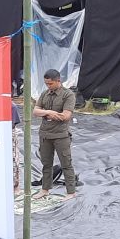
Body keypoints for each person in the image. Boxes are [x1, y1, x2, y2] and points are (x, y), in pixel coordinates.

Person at [35, 69, 77, 199]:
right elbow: (35, 111)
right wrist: (49, 112)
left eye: (50, 83)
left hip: (61, 135)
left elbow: (66, 116)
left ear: (58, 81)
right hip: (45, 134)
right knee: (46, 163)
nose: (48, 86)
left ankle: (71, 192)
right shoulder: (44, 94)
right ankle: (45, 189)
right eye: (46, 84)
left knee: (66, 163)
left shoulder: (68, 95)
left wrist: (47, 113)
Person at [11, 102, 24, 196]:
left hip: (8, 133)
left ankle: (16, 186)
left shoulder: (11, 106)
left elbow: (12, 125)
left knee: (13, 160)